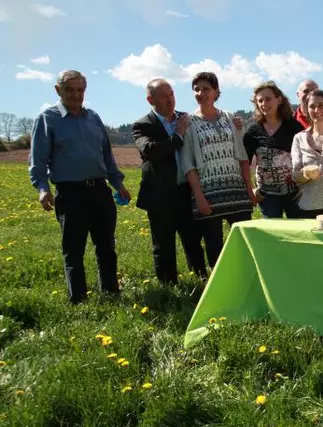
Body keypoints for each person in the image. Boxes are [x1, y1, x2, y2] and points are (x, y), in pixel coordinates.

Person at [29, 70, 130, 303]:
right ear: (58, 91)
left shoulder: (93, 118)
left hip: (99, 190)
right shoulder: (48, 118)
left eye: (80, 90)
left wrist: (117, 183)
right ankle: (79, 299)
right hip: (70, 193)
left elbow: (106, 154)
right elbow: (38, 159)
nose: (76, 95)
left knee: (106, 245)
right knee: (74, 249)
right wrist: (42, 188)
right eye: (70, 90)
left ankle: (111, 292)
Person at [132, 79, 207, 284]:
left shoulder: (186, 118)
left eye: (171, 94)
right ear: (150, 99)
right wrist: (178, 136)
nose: (170, 99)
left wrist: (234, 123)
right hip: (159, 195)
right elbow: (151, 151)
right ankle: (169, 286)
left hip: (186, 191)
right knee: (163, 244)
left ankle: (201, 280)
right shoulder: (143, 125)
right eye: (164, 96)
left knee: (192, 240)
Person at [180, 71, 254, 269]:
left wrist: (249, 190)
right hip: (208, 194)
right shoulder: (189, 123)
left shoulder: (230, 118)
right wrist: (199, 196)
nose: (201, 93)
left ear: (216, 92)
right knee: (215, 250)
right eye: (196, 89)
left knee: (245, 246)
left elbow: (242, 156)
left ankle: (247, 282)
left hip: (236, 193)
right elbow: (188, 164)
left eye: (206, 89)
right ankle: (220, 290)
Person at [243, 81, 305, 219]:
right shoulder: (253, 132)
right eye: (260, 100)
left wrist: (305, 186)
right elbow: (244, 163)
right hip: (266, 195)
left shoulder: (294, 127)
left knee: (297, 232)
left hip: (295, 193)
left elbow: (306, 158)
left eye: (268, 99)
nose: (264, 103)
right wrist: (250, 189)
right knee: (272, 233)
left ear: (279, 99)